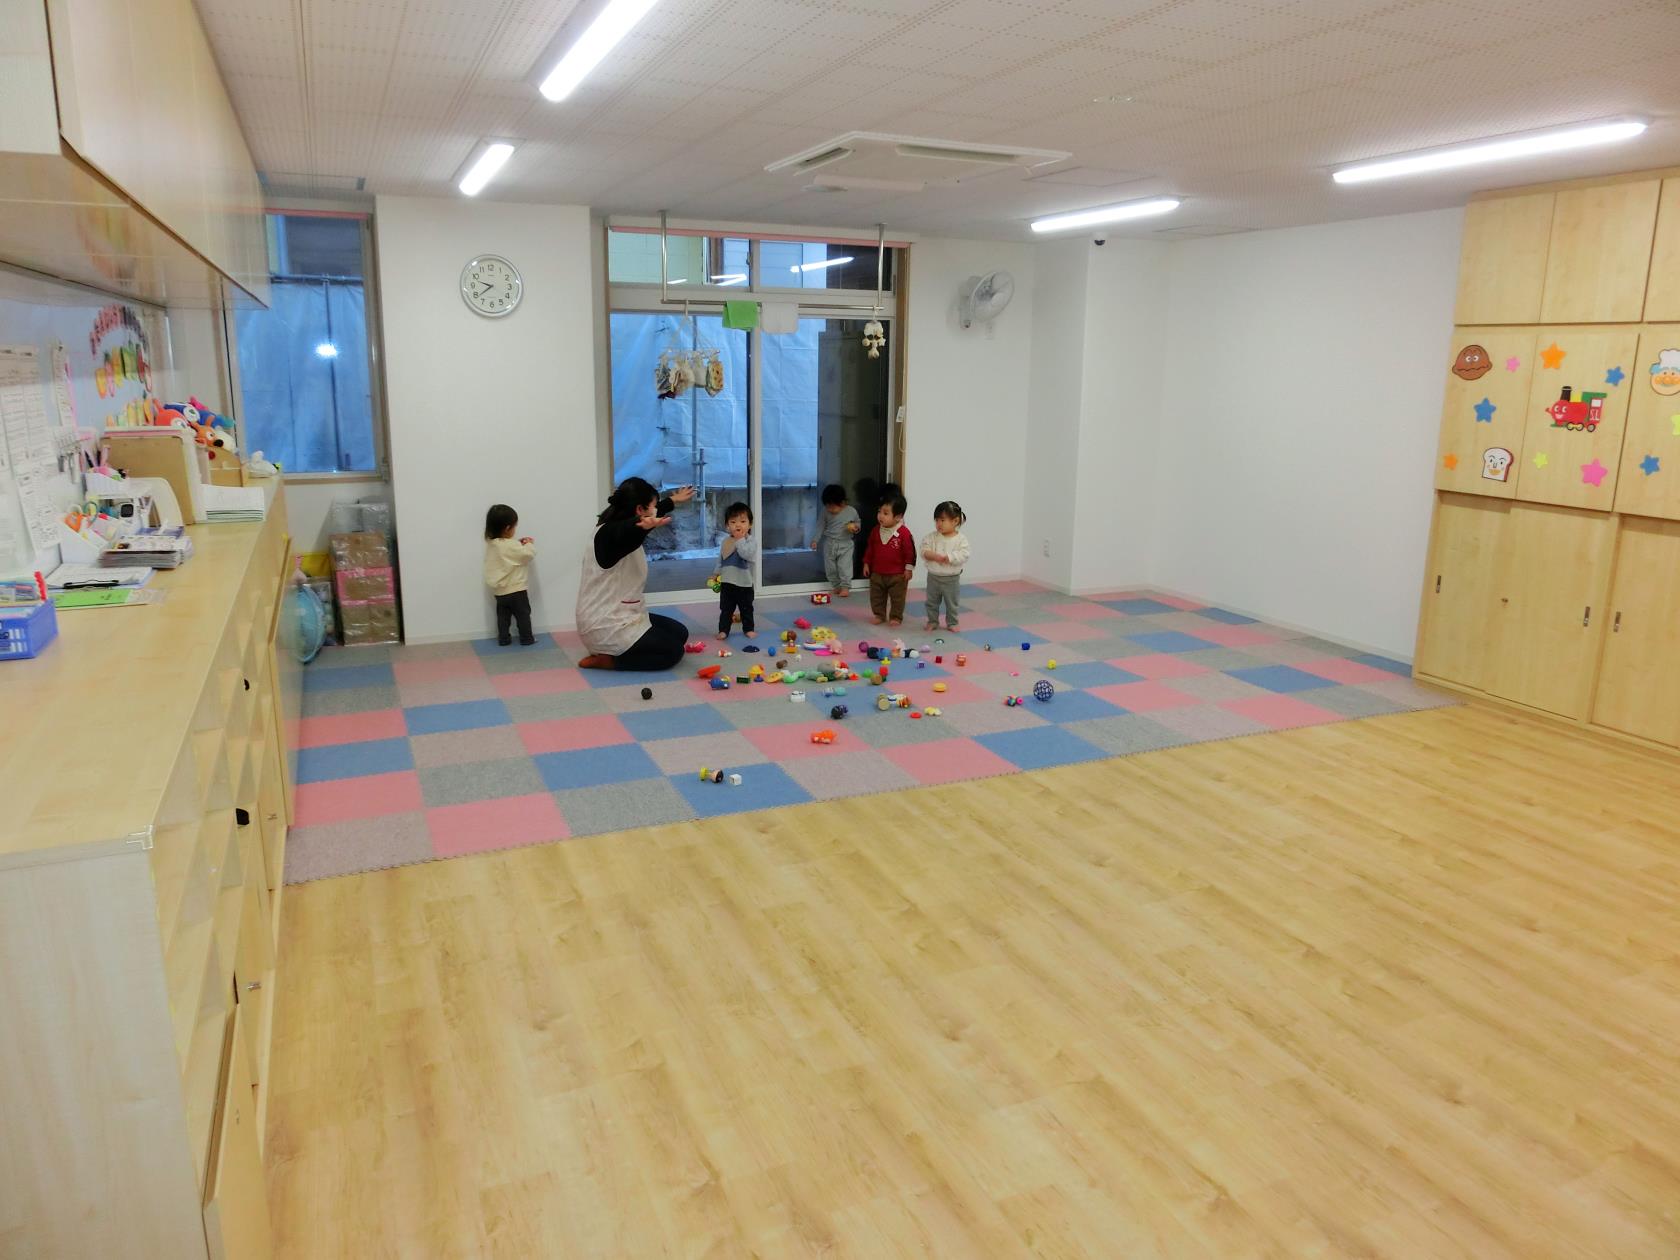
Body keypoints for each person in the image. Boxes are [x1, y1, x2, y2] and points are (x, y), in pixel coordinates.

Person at [575, 477, 695, 670]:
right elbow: (625, 532)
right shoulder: (610, 534)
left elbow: (644, 520)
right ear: (639, 510)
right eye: (653, 506)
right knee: (673, 652)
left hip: (623, 614)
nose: (656, 510)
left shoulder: (618, 524)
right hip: (605, 624)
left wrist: (673, 500)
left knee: (679, 633)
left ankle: (611, 651)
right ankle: (610, 660)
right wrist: (639, 525)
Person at [483, 503, 536, 646]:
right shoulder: (511, 545)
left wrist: (517, 544)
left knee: (503, 617)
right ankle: (527, 638)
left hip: (499, 592)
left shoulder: (492, 545)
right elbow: (528, 555)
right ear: (507, 528)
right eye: (514, 526)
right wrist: (529, 543)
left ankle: (504, 639)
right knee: (523, 615)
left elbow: (507, 554)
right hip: (516, 590)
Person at [862, 489, 915, 627]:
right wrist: (866, 563)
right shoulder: (876, 530)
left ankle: (896, 617)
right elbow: (870, 548)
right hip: (877, 572)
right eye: (879, 511)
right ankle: (879, 615)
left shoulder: (904, 533)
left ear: (898, 516)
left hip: (897, 574)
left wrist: (908, 569)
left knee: (898, 597)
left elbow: (910, 552)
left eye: (885, 513)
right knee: (876, 596)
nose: (880, 516)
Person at [921, 500, 970, 632]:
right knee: (931, 602)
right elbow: (924, 550)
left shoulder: (960, 539)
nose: (939, 523)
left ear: (955, 521)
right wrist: (933, 555)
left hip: (951, 578)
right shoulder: (931, 537)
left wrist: (950, 557)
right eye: (936, 520)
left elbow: (964, 554)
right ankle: (932, 621)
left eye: (942, 520)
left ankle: (952, 622)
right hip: (933, 577)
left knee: (952, 603)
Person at [713, 502, 758, 640]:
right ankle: (723, 630)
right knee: (726, 609)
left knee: (746, 608)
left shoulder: (751, 541)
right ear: (727, 526)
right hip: (727, 582)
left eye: (743, 521)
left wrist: (739, 540)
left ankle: (748, 629)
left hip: (744, 583)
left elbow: (746, 555)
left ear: (750, 524)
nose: (738, 525)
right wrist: (716, 573)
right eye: (733, 522)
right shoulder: (726, 541)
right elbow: (721, 559)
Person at [809, 483, 861, 597]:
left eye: (832, 507)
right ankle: (836, 587)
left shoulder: (851, 511)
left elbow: (858, 522)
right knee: (830, 568)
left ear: (842, 503)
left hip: (846, 544)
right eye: (827, 506)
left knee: (844, 566)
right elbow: (820, 526)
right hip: (830, 543)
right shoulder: (825, 511)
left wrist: (856, 528)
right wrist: (815, 540)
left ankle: (845, 587)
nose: (829, 509)